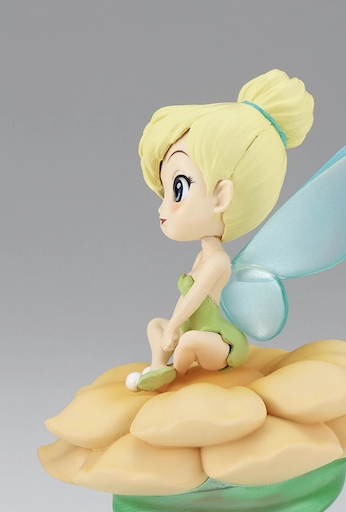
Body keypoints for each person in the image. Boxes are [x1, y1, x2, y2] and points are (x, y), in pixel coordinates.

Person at [126, 69, 314, 392]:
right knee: (155, 325)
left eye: (178, 189)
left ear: (222, 196)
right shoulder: (203, 256)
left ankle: (175, 378)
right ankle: (158, 367)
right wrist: (170, 328)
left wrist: (174, 329)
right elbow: (182, 305)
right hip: (191, 329)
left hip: (220, 341)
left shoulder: (217, 261)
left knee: (186, 343)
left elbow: (194, 298)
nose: (162, 208)